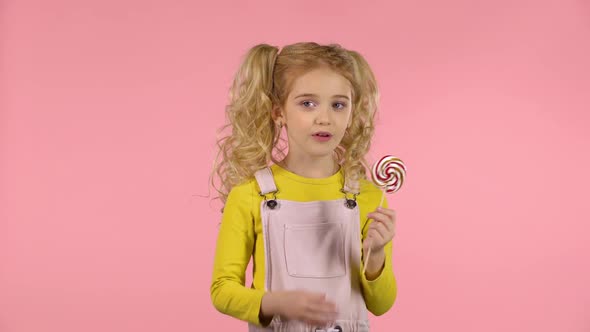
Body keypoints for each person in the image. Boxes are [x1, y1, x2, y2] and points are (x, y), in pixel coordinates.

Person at [209, 42, 397, 332]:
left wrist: (376, 256)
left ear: (350, 114)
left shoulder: (368, 197)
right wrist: (276, 303)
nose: (324, 117)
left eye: (338, 104)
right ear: (278, 112)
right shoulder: (250, 195)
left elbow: (381, 305)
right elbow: (222, 290)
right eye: (307, 103)